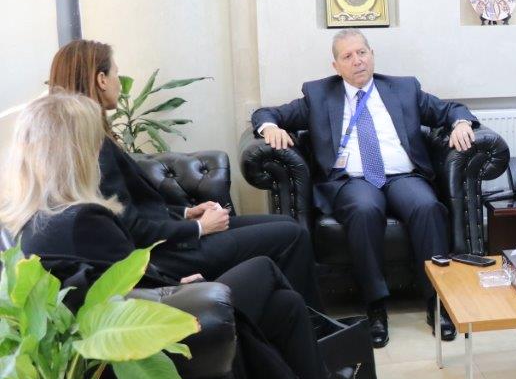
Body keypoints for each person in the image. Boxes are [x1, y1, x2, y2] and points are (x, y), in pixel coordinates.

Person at [0, 91, 365, 379]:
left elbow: (118, 284)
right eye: (92, 143)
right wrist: (178, 287)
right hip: (166, 332)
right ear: (74, 152)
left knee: (287, 305)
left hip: (157, 308)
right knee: (265, 269)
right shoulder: (82, 220)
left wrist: (173, 284)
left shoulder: (34, 219)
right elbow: (124, 294)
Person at [47, 40, 322, 309]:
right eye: (116, 74)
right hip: (161, 256)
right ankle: (313, 324)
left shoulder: (75, 142)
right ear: (101, 80)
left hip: (168, 239)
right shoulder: (95, 147)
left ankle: (284, 316)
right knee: (291, 235)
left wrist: (187, 213)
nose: (119, 83)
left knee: (288, 225)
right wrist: (199, 228)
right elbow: (131, 228)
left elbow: (132, 210)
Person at [251, 28, 479, 347]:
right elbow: (266, 113)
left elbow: (451, 109)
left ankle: (437, 302)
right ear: (336, 66)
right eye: (348, 56)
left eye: (362, 52)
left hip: (403, 176)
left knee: (427, 207)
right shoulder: (318, 95)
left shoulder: (404, 88)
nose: (357, 61)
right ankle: (375, 307)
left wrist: (461, 124)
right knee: (364, 210)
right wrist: (270, 128)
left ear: (372, 55)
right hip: (352, 181)